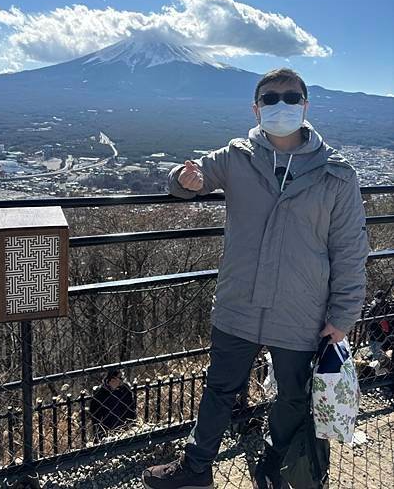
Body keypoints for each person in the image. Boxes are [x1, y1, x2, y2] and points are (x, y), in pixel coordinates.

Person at [141, 68, 369, 489]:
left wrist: (343, 313)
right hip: (239, 301)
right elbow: (187, 178)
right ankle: (196, 467)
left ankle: (276, 467)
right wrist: (183, 179)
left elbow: (351, 250)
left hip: (301, 308)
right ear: (256, 107)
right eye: (270, 98)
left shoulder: (337, 174)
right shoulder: (237, 156)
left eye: (290, 97)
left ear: (305, 105)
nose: (280, 105)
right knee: (219, 389)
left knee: (293, 397)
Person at [89, 369, 136, 441]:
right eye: (120, 378)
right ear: (111, 379)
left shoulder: (125, 390)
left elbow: (131, 411)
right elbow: (95, 418)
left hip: (124, 430)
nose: (122, 380)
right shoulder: (100, 394)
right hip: (107, 433)